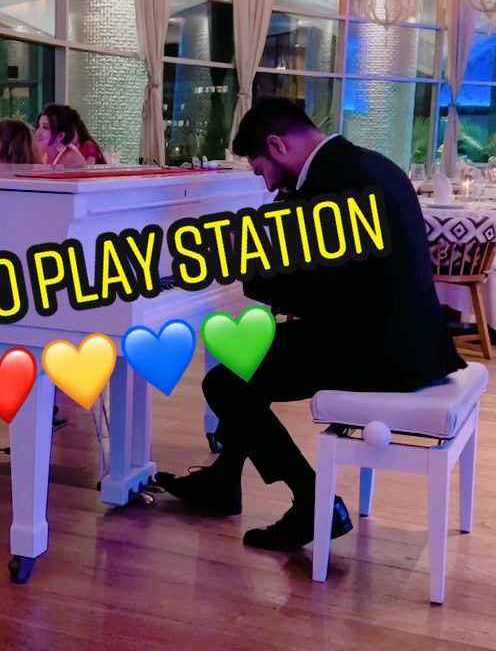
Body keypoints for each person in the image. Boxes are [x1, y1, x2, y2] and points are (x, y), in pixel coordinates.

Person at [156, 98, 465, 552]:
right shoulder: (363, 165)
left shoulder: (332, 188)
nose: (266, 183)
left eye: (261, 169)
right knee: (247, 363)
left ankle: (313, 502)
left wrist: (244, 267)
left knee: (225, 382)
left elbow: (316, 296)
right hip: (404, 336)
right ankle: (224, 480)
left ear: (278, 145)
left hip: (383, 351)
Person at [34, 104, 87, 169]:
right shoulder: (41, 153)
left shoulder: (71, 159)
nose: (38, 132)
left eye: (45, 127)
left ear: (60, 136)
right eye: (38, 126)